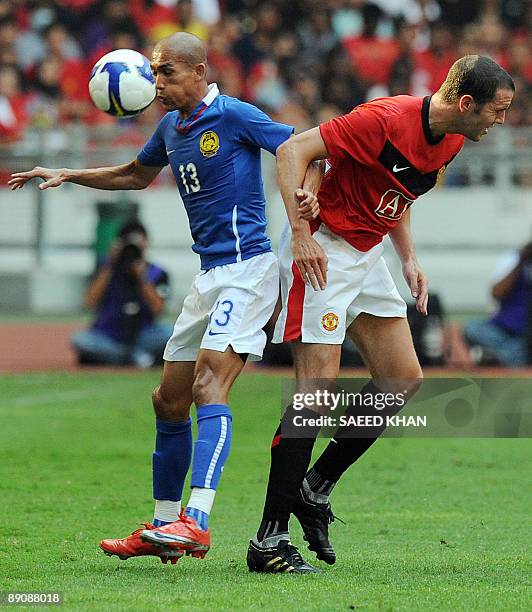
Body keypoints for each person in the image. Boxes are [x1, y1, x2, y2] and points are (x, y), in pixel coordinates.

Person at [9, 32, 319, 570]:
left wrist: (306, 197)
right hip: (208, 278)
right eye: (154, 74)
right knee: (168, 399)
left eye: (168, 73)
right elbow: (135, 174)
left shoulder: (235, 114)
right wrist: (69, 175)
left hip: (248, 272)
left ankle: (196, 522)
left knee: (207, 386)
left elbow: (301, 146)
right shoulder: (171, 129)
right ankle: (163, 523)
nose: (157, 84)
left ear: (200, 72)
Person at [248, 55, 515, 572]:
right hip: (323, 245)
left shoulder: (454, 138)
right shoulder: (383, 119)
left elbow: (401, 193)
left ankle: (315, 487)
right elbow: (292, 149)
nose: (500, 121)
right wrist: (301, 235)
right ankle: (268, 540)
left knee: (402, 378)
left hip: (367, 254)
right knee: (315, 395)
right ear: (466, 104)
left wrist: (409, 258)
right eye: (497, 111)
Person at [71, 219, 173, 368]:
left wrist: (141, 277)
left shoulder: (157, 273)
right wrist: (111, 266)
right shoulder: (105, 268)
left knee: (171, 333)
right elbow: (89, 302)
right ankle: (137, 357)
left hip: (144, 334)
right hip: (109, 334)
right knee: (79, 339)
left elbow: (158, 309)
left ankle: (119, 358)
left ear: (146, 243)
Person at [463, 241, 532, 367]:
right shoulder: (514, 258)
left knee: (522, 348)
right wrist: (521, 261)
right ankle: (510, 357)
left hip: (527, 333)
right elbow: (496, 293)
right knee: (472, 328)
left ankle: (499, 358)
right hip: (505, 330)